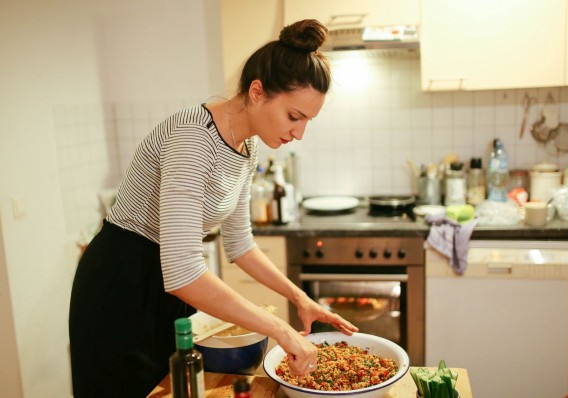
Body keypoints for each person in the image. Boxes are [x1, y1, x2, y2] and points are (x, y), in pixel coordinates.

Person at [68, 19, 358, 397]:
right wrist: (282, 331)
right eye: (294, 116)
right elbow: (185, 273)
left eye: (307, 121)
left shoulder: (247, 146)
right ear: (257, 92)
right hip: (121, 285)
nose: (299, 132)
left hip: (166, 292)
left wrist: (299, 298)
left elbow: (239, 242)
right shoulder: (193, 138)